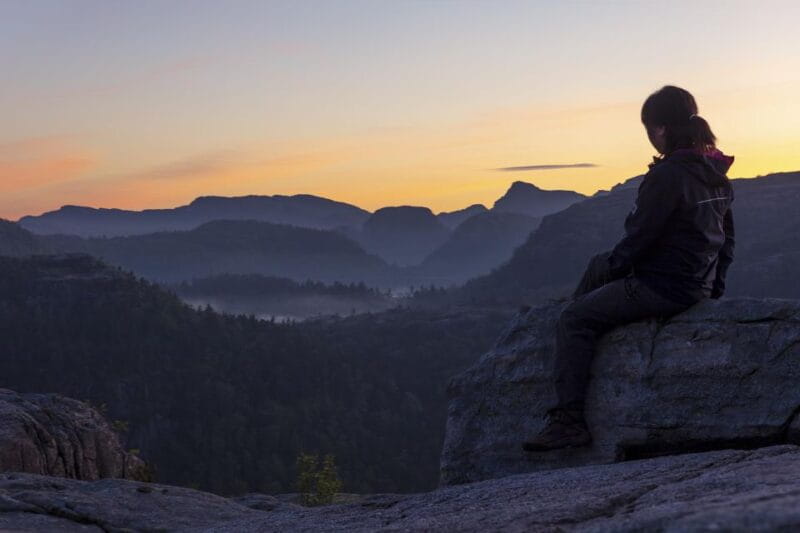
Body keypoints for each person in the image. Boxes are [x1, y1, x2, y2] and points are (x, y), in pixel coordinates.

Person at [522, 85, 736, 452]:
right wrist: (714, 290)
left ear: (661, 129)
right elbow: (727, 241)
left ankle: (569, 421)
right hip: (696, 283)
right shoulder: (715, 172)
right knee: (597, 265)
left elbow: (639, 238)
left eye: (649, 129)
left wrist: (616, 272)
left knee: (574, 319)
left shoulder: (667, 175)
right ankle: (572, 357)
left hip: (662, 286)